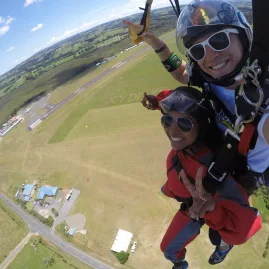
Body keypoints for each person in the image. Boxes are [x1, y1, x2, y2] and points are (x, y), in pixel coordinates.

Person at [123, 0, 269, 193]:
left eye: (219, 40)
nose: (210, 56)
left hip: (252, 172)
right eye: (198, 51)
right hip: (224, 155)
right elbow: (182, 73)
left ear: (242, 36)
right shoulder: (208, 78)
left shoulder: (264, 96)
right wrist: (155, 42)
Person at [157, 86, 262, 269]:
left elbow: (242, 230)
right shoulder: (184, 150)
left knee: (212, 238)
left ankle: (222, 247)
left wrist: (212, 210)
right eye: (166, 121)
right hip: (182, 192)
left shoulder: (217, 172)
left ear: (202, 124)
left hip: (201, 208)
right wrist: (157, 101)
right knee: (169, 249)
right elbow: (179, 109)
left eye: (184, 124)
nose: (172, 132)